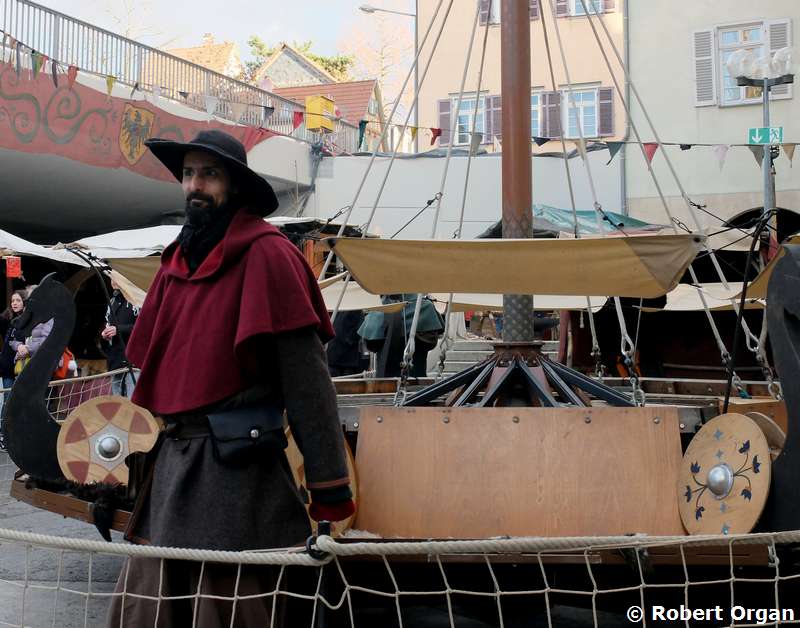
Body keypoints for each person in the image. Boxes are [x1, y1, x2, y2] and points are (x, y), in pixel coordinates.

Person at [107, 130, 353, 627]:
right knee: (151, 608)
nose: (195, 185)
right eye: (188, 174)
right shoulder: (175, 262)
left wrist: (329, 486)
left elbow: (308, 385)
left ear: (235, 185)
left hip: (239, 480)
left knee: (228, 607)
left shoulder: (270, 255)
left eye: (209, 174)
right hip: (172, 475)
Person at [101, 278, 138, 397]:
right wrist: (105, 333)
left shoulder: (138, 300)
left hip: (134, 360)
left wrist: (119, 329)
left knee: (133, 400)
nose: (113, 281)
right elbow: (108, 323)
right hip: (115, 359)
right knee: (117, 400)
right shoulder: (112, 301)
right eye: (112, 278)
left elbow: (146, 327)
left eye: (117, 278)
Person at [0, 290, 26, 443]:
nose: (14, 303)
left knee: (19, 401)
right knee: (8, 400)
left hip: (22, 366)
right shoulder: (8, 319)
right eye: (12, 301)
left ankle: (14, 433)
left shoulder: (28, 319)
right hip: (8, 367)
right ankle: (3, 434)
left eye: (18, 300)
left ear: (24, 302)